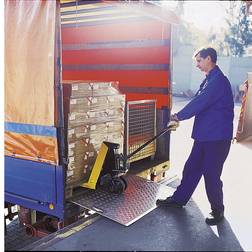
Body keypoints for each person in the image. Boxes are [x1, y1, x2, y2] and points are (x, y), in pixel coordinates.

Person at [156, 47, 234, 226]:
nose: (197, 65)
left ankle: (217, 210)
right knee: (191, 168)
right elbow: (200, 102)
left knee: (211, 174)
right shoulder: (210, 80)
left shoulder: (218, 82)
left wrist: (178, 116)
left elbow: (200, 102)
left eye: (199, 61)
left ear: (209, 59)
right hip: (205, 136)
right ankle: (178, 199)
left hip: (217, 138)